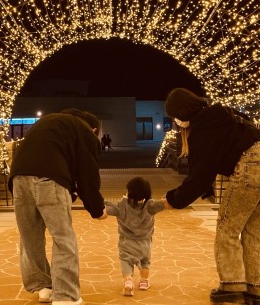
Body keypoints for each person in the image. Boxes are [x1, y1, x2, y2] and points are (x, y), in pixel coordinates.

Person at [161, 88, 260, 305]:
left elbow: (198, 177)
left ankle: (231, 287)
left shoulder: (203, 130)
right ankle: (255, 291)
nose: (176, 121)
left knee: (227, 229)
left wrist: (173, 200)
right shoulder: (223, 113)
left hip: (252, 168)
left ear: (182, 113)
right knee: (256, 233)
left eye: (175, 116)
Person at [8, 108, 108, 305]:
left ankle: (43, 287)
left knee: (30, 237)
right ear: (94, 129)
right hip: (49, 179)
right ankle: (66, 296)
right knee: (63, 238)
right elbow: (87, 173)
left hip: (18, 179)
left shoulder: (49, 123)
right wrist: (97, 208)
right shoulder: (84, 131)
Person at [105, 176, 166, 296]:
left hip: (126, 242)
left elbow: (105, 211)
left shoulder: (121, 207)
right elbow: (165, 204)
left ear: (129, 193)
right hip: (145, 243)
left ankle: (128, 281)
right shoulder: (150, 206)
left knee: (125, 261)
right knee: (145, 262)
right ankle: (143, 281)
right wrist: (166, 198)